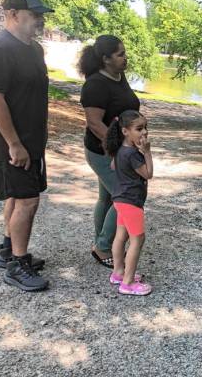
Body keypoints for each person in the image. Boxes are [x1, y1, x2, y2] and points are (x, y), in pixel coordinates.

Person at [0, 0, 54, 291]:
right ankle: (18, 266)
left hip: (30, 141)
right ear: (12, 15)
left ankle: (8, 250)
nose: (39, 19)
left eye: (40, 15)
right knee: (27, 200)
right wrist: (13, 143)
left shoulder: (33, 49)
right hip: (11, 144)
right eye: (33, 14)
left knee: (16, 196)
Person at [78, 35, 140, 268]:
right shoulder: (95, 84)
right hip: (103, 151)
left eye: (124, 53)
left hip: (120, 149)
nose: (125, 58)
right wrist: (118, 150)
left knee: (107, 197)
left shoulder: (118, 76)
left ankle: (102, 244)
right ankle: (104, 247)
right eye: (120, 54)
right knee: (126, 196)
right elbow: (94, 123)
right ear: (105, 59)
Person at [105, 110, 153, 295]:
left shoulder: (121, 150)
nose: (144, 133)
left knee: (121, 236)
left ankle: (118, 273)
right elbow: (148, 173)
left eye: (146, 128)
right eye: (139, 129)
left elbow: (112, 166)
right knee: (138, 239)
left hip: (120, 199)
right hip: (131, 201)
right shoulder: (133, 154)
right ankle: (128, 282)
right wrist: (147, 153)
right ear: (125, 131)